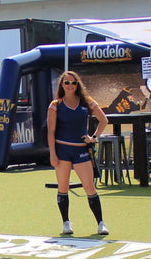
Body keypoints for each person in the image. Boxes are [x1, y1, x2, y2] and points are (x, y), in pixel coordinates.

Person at [47, 70, 110, 236]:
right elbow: (51, 131)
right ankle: (66, 223)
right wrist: (53, 154)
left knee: (89, 186)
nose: (70, 85)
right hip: (62, 150)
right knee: (63, 187)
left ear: (78, 84)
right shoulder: (55, 105)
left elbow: (103, 120)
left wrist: (93, 137)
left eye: (73, 83)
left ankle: (101, 223)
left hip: (81, 150)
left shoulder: (86, 101)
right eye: (67, 82)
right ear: (62, 85)